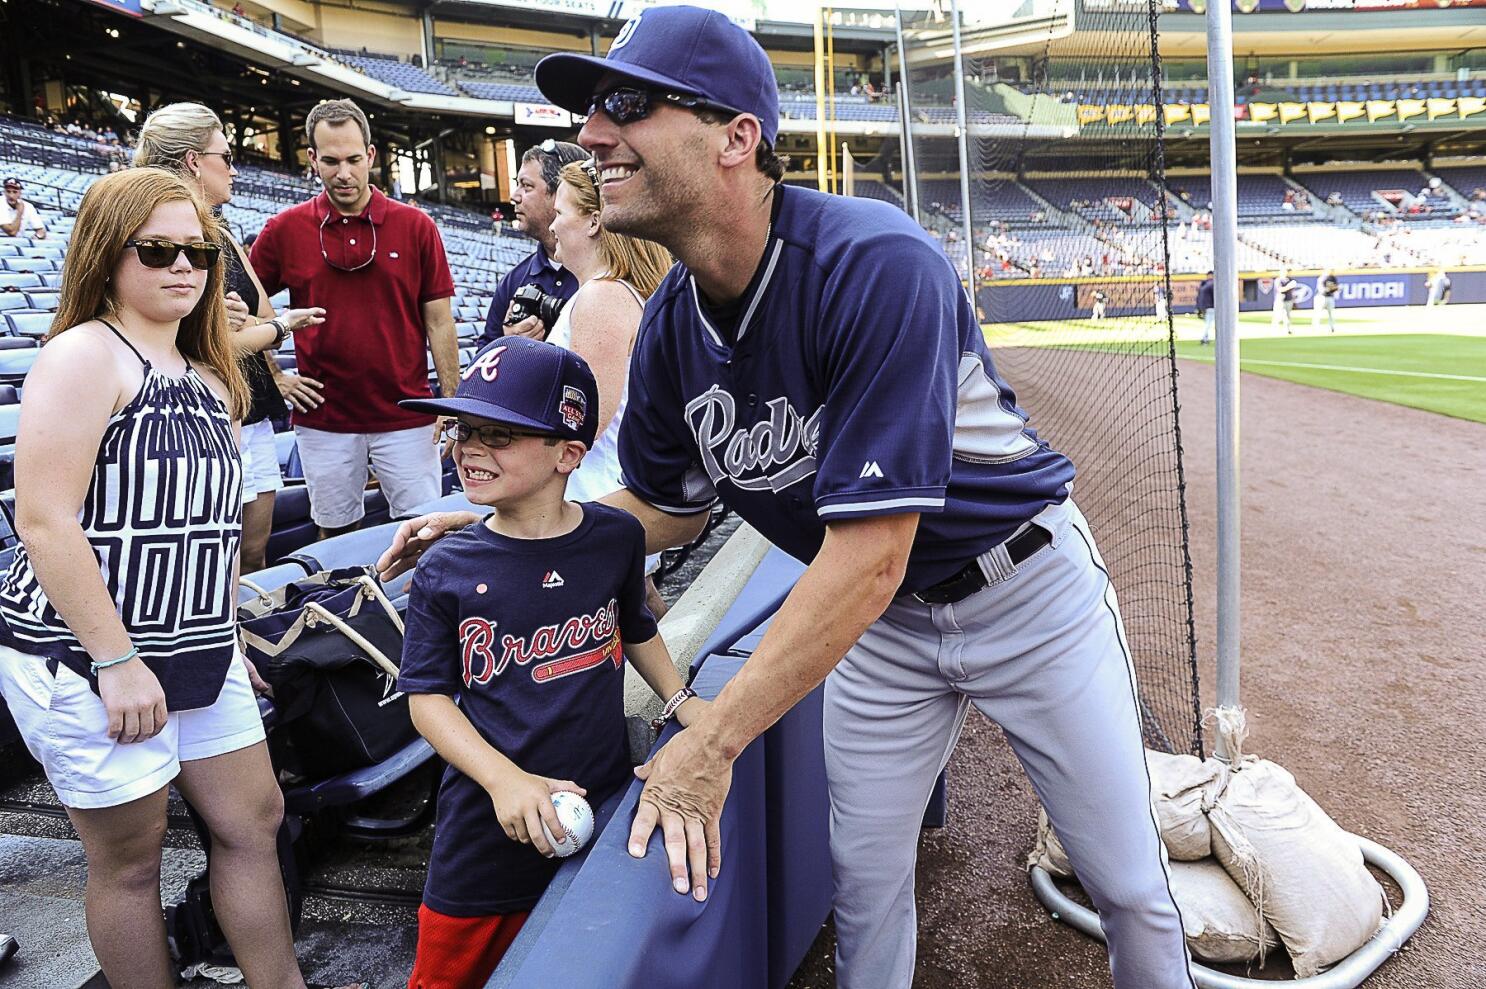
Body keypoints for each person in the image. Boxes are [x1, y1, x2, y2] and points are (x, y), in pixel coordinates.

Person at [377, 8, 1196, 989]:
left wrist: (713, 737)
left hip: (1022, 590)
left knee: (1126, 883)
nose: (594, 135)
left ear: (736, 138)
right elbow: (668, 508)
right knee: (864, 883)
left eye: (628, 106)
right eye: (595, 114)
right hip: (882, 627)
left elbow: (872, 551)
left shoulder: (873, 264)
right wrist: (504, 525)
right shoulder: (674, 321)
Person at [0, 167, 362, 989]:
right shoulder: (85, 353)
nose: (183, 267)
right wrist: (116, 658)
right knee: (131, 859)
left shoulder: (207, 372)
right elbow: (47, 520)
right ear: (107, 253)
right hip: (90, 653)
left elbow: (202, 531)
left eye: (198, 251)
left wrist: (225, 638)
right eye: (156, 248)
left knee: (254, 817)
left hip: (197, 644)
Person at [396, 337, 706, 989]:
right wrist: (506, 779)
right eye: (462, 429)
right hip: (486, 829)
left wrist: (680, 699)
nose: (469, 448)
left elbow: (636, 624)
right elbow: (426, 700)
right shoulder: (446, 568)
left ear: (569, 452)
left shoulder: (615, 536)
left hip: (599, 798)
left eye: (499, 434)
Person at [251, 98, 460, 539]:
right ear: (312, 160)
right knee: (334, 533)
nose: (343, 173)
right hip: (324, 419)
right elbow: (242, 305)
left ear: (370, 155)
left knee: (425, 533)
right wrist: (275, 377)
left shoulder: (416, 225)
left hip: (406, 414)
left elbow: (440, 322)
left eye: (352, 159)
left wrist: (451, 402)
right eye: (330, 161)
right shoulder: (284, 229)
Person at [132, 102, 327, 573]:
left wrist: (259, 328)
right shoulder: (153, 233)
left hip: (248, 403)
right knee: (211, 559)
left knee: (254, 551)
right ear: (194, 161)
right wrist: (270, 327)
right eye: (226, 156)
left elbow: (260, 317)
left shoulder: (221, 232)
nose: (234, 168)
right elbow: (204, 344)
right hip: (194, 413)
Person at [545, 158, 674, 615]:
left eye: (560, 212)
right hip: (606, 483)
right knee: (641, 610)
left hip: (593, 489)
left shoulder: (602, 295)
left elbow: (585, 419)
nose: (553, 224)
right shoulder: (611, 291)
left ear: (594, 221)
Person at [476, 139, 588, 346]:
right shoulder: (514, 281)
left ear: (562, 193)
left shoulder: (616, 273)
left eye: (526, 186)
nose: (514, 196)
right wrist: (509, 345)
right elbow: (482, 365)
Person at [1271, 268, 1296, 333]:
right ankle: (1274, 329)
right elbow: (1280, 290)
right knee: (1278, 315)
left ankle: (1287, 329)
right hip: (1280, 300)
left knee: (1287, 315)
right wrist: (1288, 287)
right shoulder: (1278, 280)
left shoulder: (1290, 280)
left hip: (1288, 300)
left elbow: (1292, 291)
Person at [1196, 271, 1215, 345]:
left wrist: (1198, 307)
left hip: (1203, 307)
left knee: (1208, 323)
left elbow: (1198, 298)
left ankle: (1205, 338)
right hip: (1210, 306)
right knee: (1209, 324)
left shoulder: (1203, 284)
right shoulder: (1212, 284)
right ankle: (1205, 338)